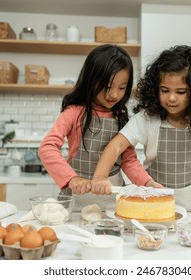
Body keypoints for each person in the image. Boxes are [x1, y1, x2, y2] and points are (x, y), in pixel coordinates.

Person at [91, 45, 191, 211]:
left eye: (180, 92)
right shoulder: (147, 119)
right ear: (155, 88)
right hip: (156, 203)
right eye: (165, 90)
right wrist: (100, 176)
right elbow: (116, 145)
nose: (171, 98)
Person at [38, 44, 158, 210]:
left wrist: (147, 182)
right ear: (91, 80)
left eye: (122, 88)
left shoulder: (121, 118)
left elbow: (128, 160)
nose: (115, 94)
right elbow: (47, 147)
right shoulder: (74, 113)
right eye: (108, 87)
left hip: (112, 202)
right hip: (76, 200)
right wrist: (72, 179)